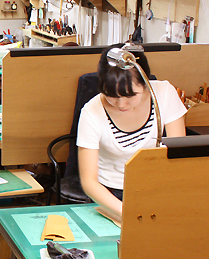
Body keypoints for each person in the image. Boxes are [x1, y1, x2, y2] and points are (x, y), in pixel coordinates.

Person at [77, 45, 186, 220]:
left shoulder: (164, 93)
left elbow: (179, 157)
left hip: (157, 189)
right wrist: (129, 213)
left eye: (129, 96)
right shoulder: (91, 112)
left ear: (145, 83)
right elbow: (89, 182)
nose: (121, 104)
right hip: (111, 196)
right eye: (111, 95)